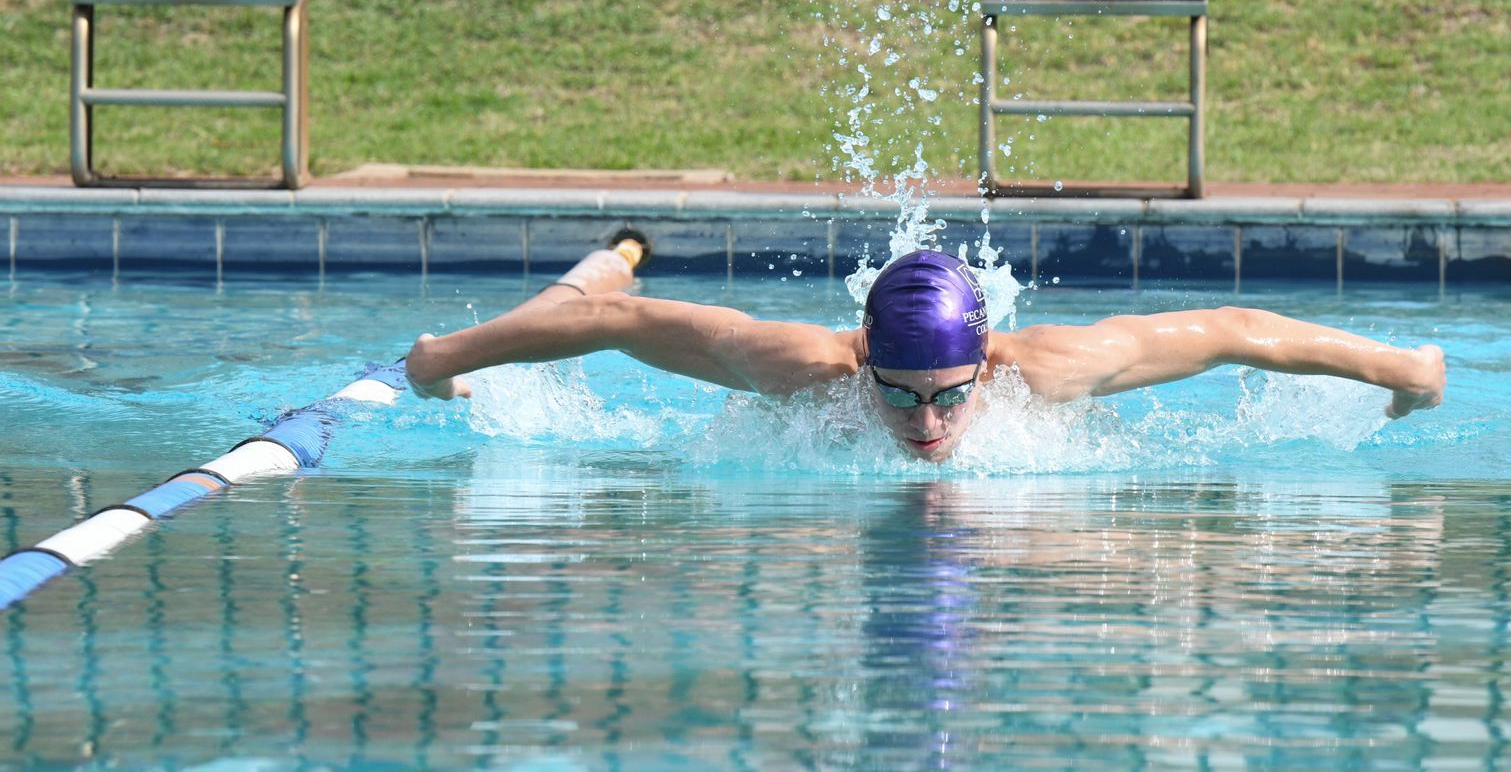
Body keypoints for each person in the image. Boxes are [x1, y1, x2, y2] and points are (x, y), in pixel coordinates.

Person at [406, 245, 1447, 464]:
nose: (929, 425)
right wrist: (445, 353)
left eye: (947, 395)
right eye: (896, 397)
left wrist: (1403, 369)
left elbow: (1233, 331)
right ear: (862, 361)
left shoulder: (1044, 366)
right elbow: (614, 321)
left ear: (984, 361)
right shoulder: (803, 363)